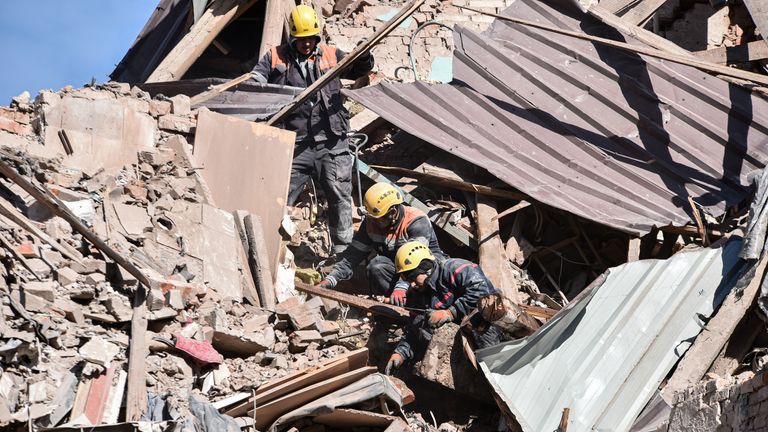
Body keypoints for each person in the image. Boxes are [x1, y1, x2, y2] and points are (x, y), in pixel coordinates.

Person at [251, 5, 374, 255]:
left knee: (339, 193)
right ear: (292, 38)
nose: (306, 44)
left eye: (310, 39)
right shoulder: (276, 56)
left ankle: (342, 253)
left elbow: (359, 70)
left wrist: (363, 56)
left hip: (332, 139)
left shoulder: (330, 54)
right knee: (280, 192)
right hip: (296, 142)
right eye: (301, 40)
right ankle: (268, 248)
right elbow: (257, 79)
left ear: (317, 36)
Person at [316, 182, 447, 304]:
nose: (373, 222)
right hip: (399, 269)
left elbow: (415, 262)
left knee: (427, 276)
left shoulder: (416, 221)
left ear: (393, 212)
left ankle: (425, 304)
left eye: (378, 219)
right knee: (377, 266)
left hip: (427, 269)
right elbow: (352, 255)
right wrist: (331, 278)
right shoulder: (370, 222)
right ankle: (402, 304)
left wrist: (401, 287)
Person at [384, 241, 502, 375]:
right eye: (407, 280)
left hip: (488, 327)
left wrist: (450, 312)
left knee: (483, 327)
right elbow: (413, 330)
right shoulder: (417, 294)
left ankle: (496, 374)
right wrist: (400, 353)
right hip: (458, 340)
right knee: (424, 331)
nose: (411, 284)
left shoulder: (455, 268)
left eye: (413, 277)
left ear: (426, 268)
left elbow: (483, 292)